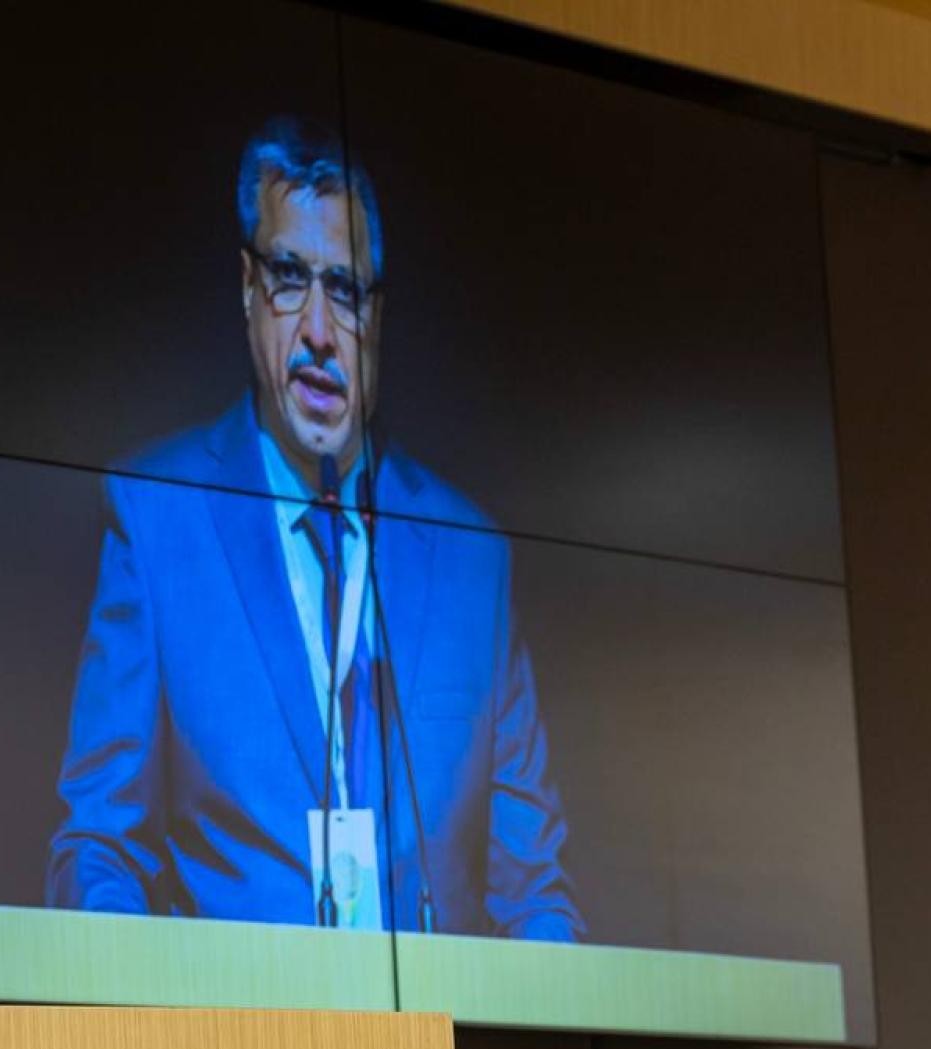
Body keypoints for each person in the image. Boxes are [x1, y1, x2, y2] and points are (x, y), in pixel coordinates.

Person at [46, 118, 583, 941]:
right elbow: (98, 852)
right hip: (232, 1025)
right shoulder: (158, 518)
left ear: (379, 314)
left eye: (347, 290)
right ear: (247, 288)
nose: (321, 334)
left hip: (433, 1024)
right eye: (291, 278)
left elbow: (534, 892)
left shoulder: (470, 556)